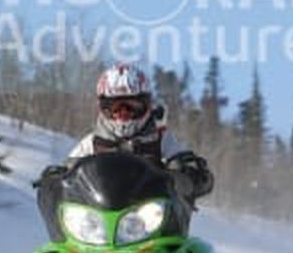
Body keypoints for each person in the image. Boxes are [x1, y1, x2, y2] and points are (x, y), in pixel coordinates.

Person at [66, 62, 213, 201]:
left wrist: (189, 175)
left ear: (147, 105)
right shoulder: (92, 143)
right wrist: (57, 179)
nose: (123, 114)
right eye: (115, 108)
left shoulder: (160, 138)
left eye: (132, 107)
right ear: (103, 108)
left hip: (151, 211)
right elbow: (67, 172)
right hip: (98, 213)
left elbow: (192, 167)